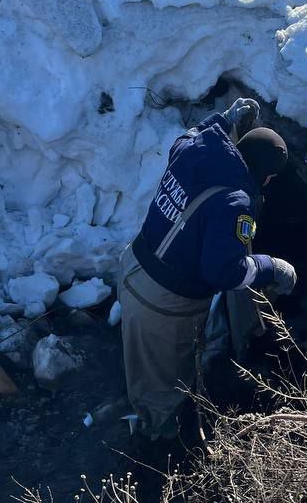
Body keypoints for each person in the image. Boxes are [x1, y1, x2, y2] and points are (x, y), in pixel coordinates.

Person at [119, 98, 297, 440]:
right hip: (162, 300)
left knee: (141, 357)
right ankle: (159, 452)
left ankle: (147, 403)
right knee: (163, 391)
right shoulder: (236, 203)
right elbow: (223, 272)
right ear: (268, 175)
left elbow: (192, 133)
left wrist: (225, 119)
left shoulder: (195, 150)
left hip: (133, 266)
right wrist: (270, 266)